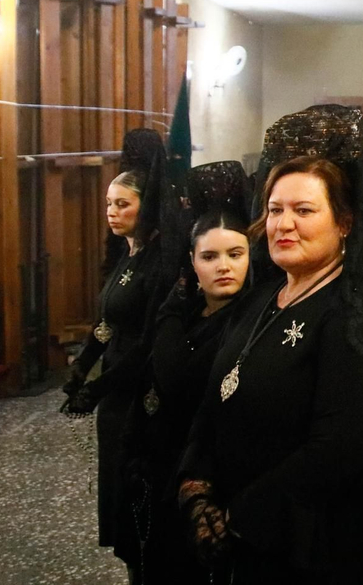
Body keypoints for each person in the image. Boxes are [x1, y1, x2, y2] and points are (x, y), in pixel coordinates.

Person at [179, 129, 363, 583]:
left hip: (311, 548)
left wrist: (238, 516)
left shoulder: (359, 311)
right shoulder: (262, 297)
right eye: (275, 210)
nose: (284, 224)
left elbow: (339, 448)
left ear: (345, 222)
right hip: (243, 537)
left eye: (304, 210)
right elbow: (214, 397)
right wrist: (196, 488)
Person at [124, 160, 252, 584]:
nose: (223, 266)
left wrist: (170, 314)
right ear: (193, 263)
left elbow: (176, 379)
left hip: (210, 481)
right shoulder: (190, 312)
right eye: (209, 256)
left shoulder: (249, 321)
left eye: (235, 254)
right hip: (161, 472)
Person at [61, 128, 172, 574]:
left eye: (122, 204)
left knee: (137, 502)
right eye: (109, 203)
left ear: (146, 206)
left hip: (138, 390)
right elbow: (108, 322)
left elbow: (147, 342)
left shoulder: (158, 261)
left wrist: (98, 386)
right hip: (115, 392)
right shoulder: (128, 253)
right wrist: (82, 365)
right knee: (117, 498)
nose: (111, 212)